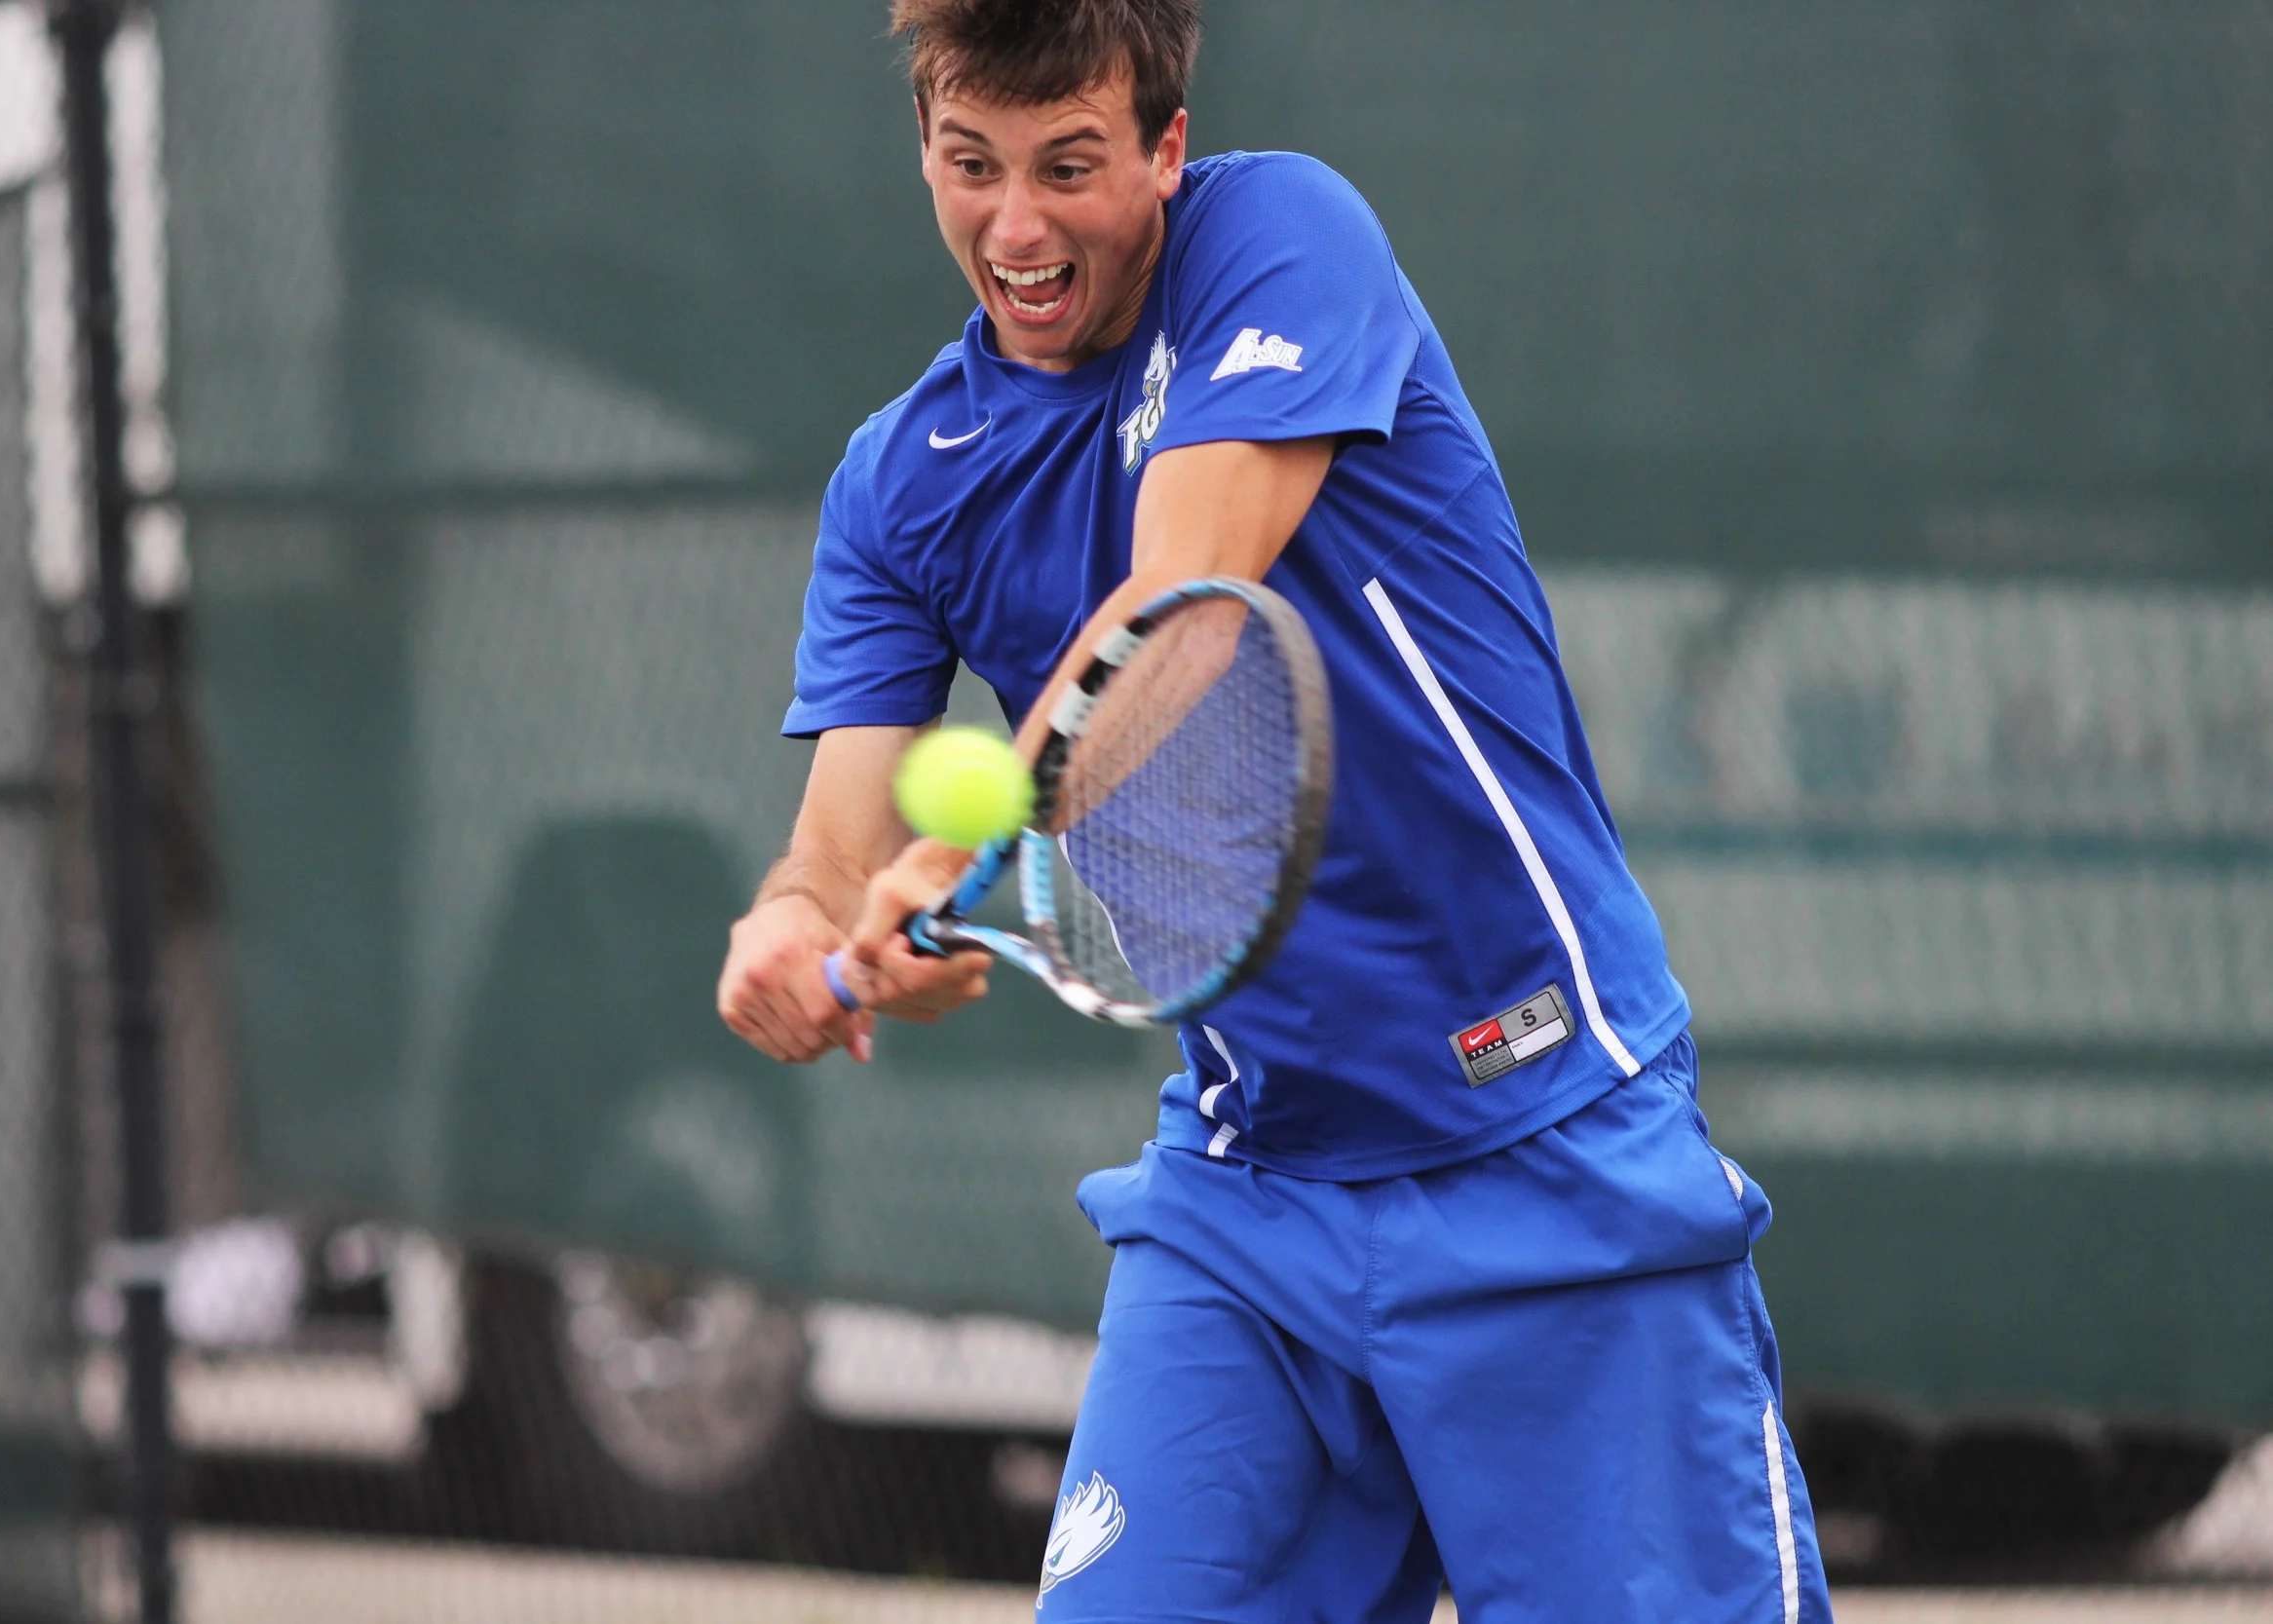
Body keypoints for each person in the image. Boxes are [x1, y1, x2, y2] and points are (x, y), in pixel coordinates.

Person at [716, 1, 1833, 1616]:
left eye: (1067, 166)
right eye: (970, 165)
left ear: (1166, 149)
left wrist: (966, 854)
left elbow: (1185, 614)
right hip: (1250, 1202)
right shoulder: (901, 484)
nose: (1014, 227)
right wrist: (797, 930)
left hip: (1542, 1137)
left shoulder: (1283, 240)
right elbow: (833, 849)